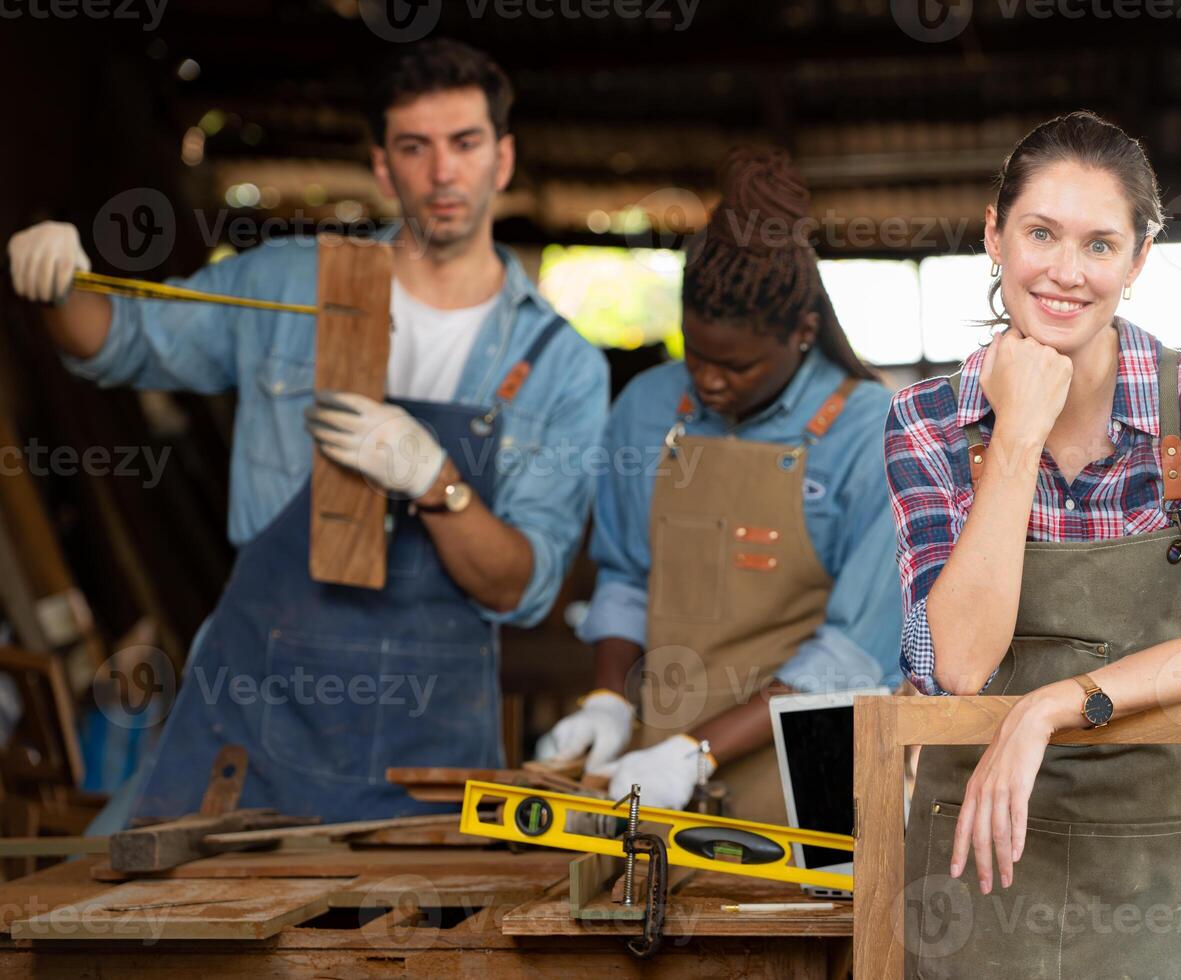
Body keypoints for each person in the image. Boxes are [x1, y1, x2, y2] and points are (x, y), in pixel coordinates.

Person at [6, 39, 608, 824]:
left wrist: (436, 481)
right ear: (384, 167)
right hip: (256, 714)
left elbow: (520, 588)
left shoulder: (560, 365)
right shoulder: (288, 283)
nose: (442, 172)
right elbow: (119, 338)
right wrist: (57, 284)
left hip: (429, 744)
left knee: (416, 946)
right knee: (118, 915)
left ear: (502, 158)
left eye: (464, 143)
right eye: (415, 148)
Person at [885, 111, 1181, 977]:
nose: (1066, 272)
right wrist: (1018, 434)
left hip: (1172, 865)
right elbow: (957, 662)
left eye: (1100, 245)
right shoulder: (927, 422)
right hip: (977, 871)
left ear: (1138, 261)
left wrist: (1050, 707)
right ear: (995, 236)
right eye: (1040, 234)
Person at [535, 148, 901, 824]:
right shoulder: (646, 409)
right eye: (694, 353)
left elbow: (857, 654)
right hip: (654, 777)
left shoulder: (867, 433)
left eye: (736, 366)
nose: (708, 381)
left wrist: (696, 752)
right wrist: (610, 699)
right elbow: (624, 578)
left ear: (803, 333)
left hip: (809, 779)